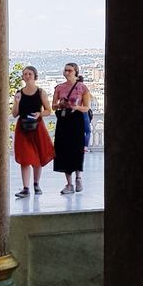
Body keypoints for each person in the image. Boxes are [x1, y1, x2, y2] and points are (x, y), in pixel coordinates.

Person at [12, 66, 53, 198]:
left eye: (30, 73)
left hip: (37, 127)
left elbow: (48, 110)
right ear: (23, 77)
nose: (27, 76)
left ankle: (36, 184)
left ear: (35, 76)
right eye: (25, 74)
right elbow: (14, 114)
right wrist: (17, 102)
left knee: (37, 157)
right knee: (25, 158)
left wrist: (39, 114)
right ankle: (25, 188)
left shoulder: (41, 92)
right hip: (23, 127)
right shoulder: (19, 93)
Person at [52, 62, 90, 194]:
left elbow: (87, 107)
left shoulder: (82, 88)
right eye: (65, 70)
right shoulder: (59, 87)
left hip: (76, 119)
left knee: (77, 149)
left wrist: (75, 107)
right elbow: (53, 106)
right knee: (63, 150)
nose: (67, 72)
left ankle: (78, 177)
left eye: (70, 70)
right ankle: (69, 183)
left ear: (76, 72)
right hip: (63, 120)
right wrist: (60, 104)